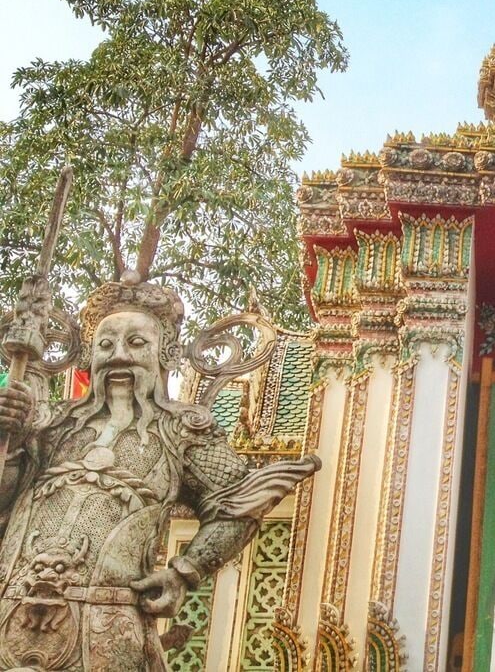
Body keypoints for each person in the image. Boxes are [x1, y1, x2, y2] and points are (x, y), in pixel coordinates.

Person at [0, 272, 320, 670]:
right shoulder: (49, 424)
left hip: (107, 625)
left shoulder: (182, 430)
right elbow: (5, 501)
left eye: (136, 343)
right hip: (10, 612)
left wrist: (184, 572)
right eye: (105, 344)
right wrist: (9, 440)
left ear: (165, 354)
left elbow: (236, 505)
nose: (118, 355)